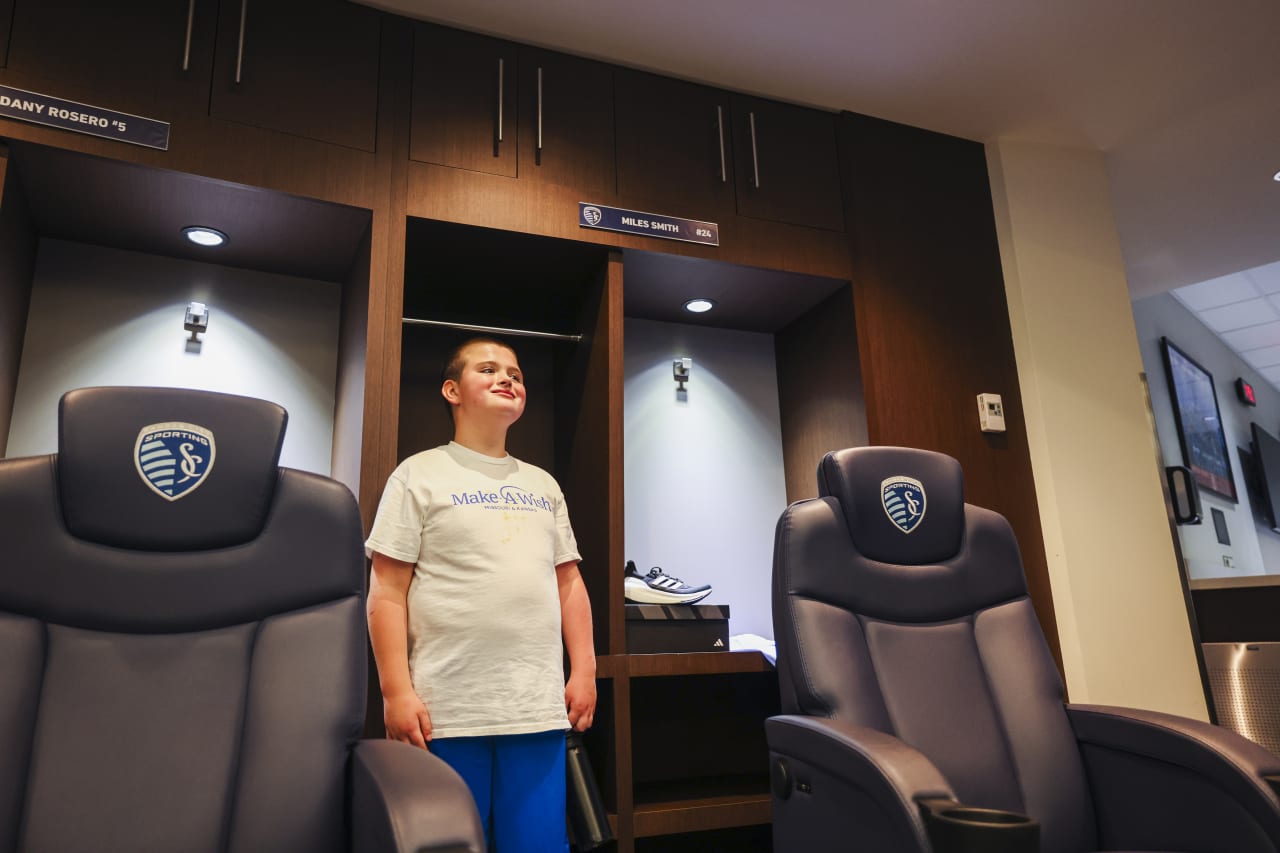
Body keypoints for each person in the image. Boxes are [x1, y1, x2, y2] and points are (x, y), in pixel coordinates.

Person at [365, 337, 596, 853]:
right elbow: (386, 590)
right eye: (488, 369)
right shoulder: (417, 475)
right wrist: (395, 692)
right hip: (445, 708)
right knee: (451, 843)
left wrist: (583, 670)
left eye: (515, 373)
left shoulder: (544, 485)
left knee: (538, 844)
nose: (508, 378)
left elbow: (570, 584)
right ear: (452, 390)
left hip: (534, 706)